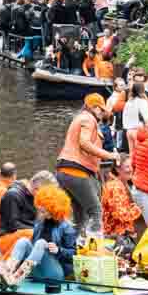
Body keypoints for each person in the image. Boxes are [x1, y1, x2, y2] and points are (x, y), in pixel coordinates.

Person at [0, 184, 77, 288]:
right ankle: (7, 271)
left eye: (43, 211)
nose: (40, 214)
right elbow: (33, 251)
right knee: (23, 241)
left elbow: (74, 255)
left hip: (55, 274)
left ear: (54, 211)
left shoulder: (67, 227)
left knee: (41, 243)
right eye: (39, 210)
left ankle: (16, 278)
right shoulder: (39, 224)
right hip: (37, 271)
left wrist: (58, 250)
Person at [56, 94, 118, 236]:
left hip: (64, 171)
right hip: (76, 171)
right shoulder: (88, 119)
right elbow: (84, 143)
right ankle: (95, 247)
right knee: (95, 211)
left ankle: (72, 245)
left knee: (79, 216)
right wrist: (110, 155)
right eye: (101, 110)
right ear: (93, 107)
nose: (102, 114)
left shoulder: (79, 118)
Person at [100, 156, 143, 239]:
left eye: (131, 166)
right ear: (117, 169)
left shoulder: (120, 184)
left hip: (120, 234)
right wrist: (138, 209)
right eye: (127, 166)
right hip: (116, 236)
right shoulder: (115, 187)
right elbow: (121, 215)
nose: (131, 169)